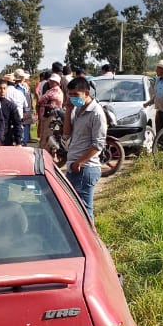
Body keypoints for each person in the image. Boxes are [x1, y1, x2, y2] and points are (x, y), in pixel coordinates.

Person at [64, 77, 106, 219]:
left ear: (86, 93)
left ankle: (90, 239)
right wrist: (68, 111)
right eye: (70, 95)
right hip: (74, 166)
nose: (72, 98)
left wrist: (80, 162)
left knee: (85, 210)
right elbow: (66, 133)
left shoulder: (96, 113)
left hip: (85, 168)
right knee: (74, 208)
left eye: (76, 95)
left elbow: (98, 145)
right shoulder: (77, 109)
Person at [0, 79, 24, 146]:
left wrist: (18, 142)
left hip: (6, 139)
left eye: (4, 88)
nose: (2, 91)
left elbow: (17, 124)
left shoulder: (10, 106)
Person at [11, 69, 34, 145]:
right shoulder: (18, 89)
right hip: (20, 113)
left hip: (22, 112)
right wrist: (25, 111)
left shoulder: (21, 87)